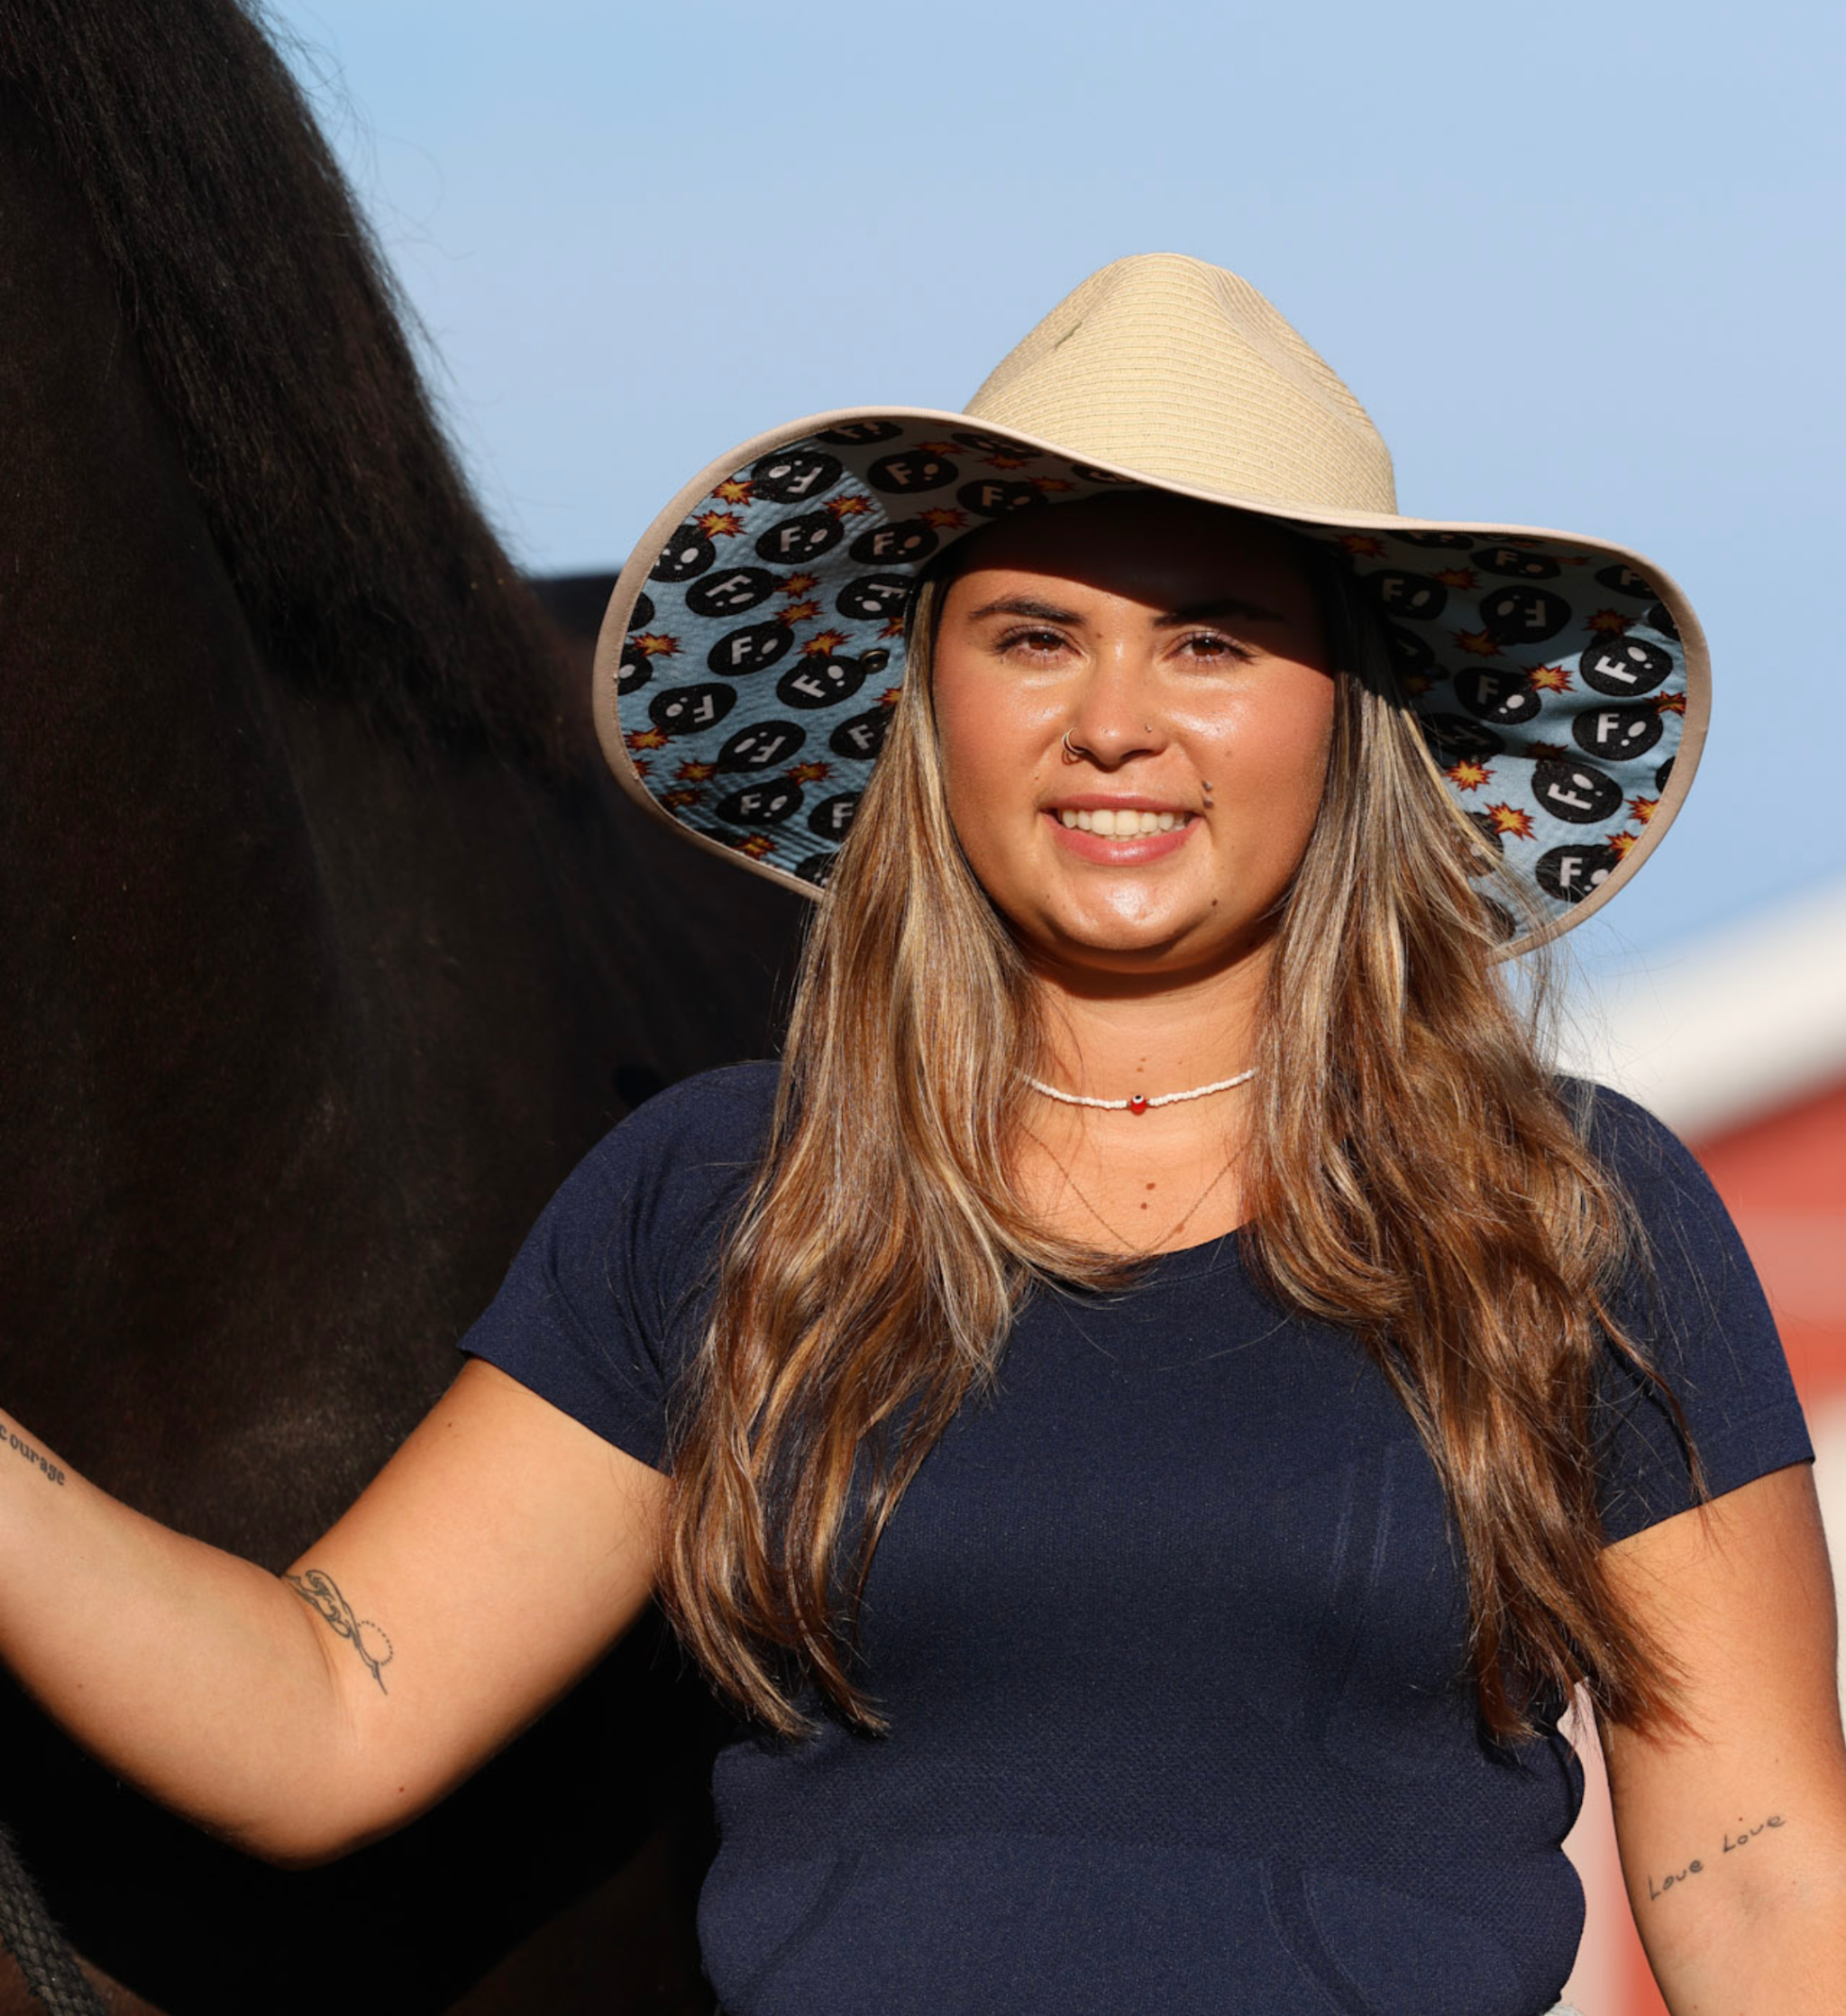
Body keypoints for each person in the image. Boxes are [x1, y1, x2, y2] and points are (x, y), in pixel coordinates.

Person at [2, 252, 1841, 2015]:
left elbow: (1760, 1879)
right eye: (1034, 635)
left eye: (1210, 640)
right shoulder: (728, 1197)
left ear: (1349, 715)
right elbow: (325, 1711)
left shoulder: (1564, 1210)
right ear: (930, 700)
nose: (1112, 722)